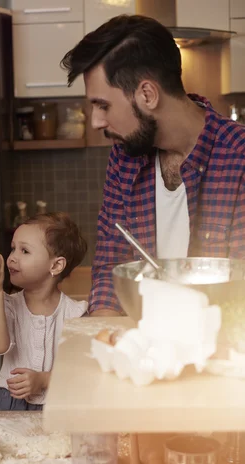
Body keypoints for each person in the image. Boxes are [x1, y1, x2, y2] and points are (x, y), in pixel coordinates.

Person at [61, 14, 245, 318]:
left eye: (102, 105)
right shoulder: (125, 157)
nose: (96, 122)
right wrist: (104, 334)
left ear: (147, 95)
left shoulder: (238, 157)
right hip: (147, 349)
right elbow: (111, 262)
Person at [0, 212, 88, 410]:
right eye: (13, 249)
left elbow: (81, 371)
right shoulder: (6, 303)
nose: (12, 258)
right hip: (10, 404)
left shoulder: (76, 314)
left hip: (58, 405)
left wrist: (43, 380)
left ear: (56, 265)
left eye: (24, 251)